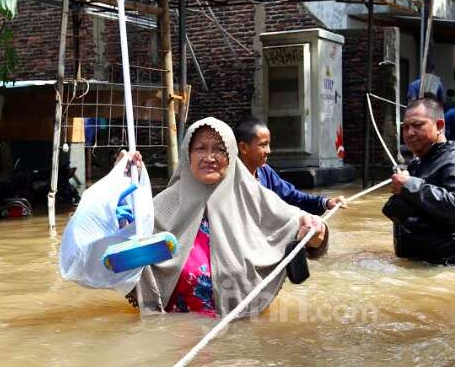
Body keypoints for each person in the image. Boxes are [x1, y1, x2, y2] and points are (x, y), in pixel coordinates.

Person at [117, 117, 328, 318]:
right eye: (200, 148)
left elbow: (300, 225)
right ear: (187, 155)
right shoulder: (159, 208)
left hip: (237, 337)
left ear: (231, 156)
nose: (209, 157)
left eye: (219, 149)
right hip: (172, 337)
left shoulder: (255, 198)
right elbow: (115, 252)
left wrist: (317, 234)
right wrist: (119, 184)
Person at [382, 98, 455, 266]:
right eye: (405, 127)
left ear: (439, 126)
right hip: (424, 267)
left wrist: (409, 185)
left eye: (417, 125)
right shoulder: (418, 163)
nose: (409, 133)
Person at [234, 116, 346, 215]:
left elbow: (292, 196)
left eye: (269, 144)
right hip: (244, 235)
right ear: (243, 148)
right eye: (263, 145)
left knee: (317, 230)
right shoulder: (230, 178)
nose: (268, 151)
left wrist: (327, 203)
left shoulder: (265, 172)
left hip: (264, 232)